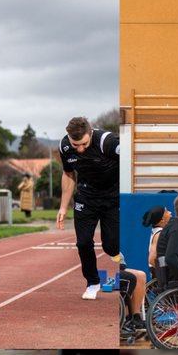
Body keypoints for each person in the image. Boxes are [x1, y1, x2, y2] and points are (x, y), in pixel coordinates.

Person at [56, 116, 119, 299]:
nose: (81, 149)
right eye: (76, 145)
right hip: (86, 197)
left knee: (111, 246)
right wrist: (62, 207)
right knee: (83, 242)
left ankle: (116, 252)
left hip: (112, 198)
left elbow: (130, 160)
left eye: (84, 144)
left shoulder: (108, 142)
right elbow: (68, 175)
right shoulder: (65, 147)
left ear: (90, 133)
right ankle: (92, 282)